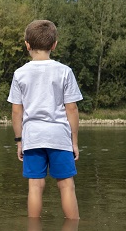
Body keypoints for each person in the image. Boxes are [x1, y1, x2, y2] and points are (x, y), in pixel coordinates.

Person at [8, 20, 82, 219]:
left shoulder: (20, 73)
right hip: (59, 136)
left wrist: (19, 141)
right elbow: (72, 108)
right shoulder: (65, 71)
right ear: (54, 45)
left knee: (35, 186)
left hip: (32, 136)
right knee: (66, 186)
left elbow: (16, 111)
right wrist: (74, 142)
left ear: (27, 45)